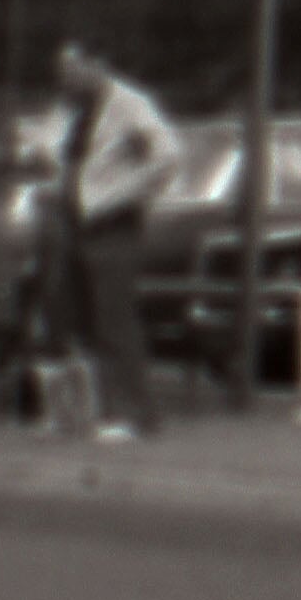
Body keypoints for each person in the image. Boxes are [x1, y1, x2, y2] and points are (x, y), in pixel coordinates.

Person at [55, 42, 186, 439]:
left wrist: (128, 192)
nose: (68, 77)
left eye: (75, 68)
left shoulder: (129, 105)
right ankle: (97, 408)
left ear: (98, 64)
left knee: (115, 319)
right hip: (77, 219)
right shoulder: (74, 109)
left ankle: (137, 413)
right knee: (82, 317)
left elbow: (166, 155)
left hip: (112, 220)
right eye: (64, 70)